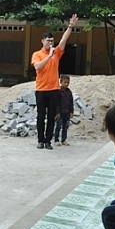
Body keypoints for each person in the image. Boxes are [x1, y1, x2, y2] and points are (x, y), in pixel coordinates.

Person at [32, 14, 78, 150]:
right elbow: (37, 67)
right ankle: (40, 140)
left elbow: (64, 39)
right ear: (42, 41)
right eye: (48, 41)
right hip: (41, 90)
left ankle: (48, 141)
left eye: (52, 41)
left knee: (52, 117)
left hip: (53, 90)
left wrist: (70, 26)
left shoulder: (56, 52)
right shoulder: (37, 54)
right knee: (41, 116)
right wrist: (49, 57)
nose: (50, 43)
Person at [54, 74, 73, 147]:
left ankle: (64, 139)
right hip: (60, 112)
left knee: (65, 126)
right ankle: (56, 140)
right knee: (58, 126)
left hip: (67, 112)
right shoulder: (58, 92)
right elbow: (57, 103)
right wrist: (57, 112)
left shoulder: (69, 92)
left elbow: (71, 102)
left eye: (68, 82)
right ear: (61, 82)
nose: (66, 84)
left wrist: (71, 111)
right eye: (65, 82)